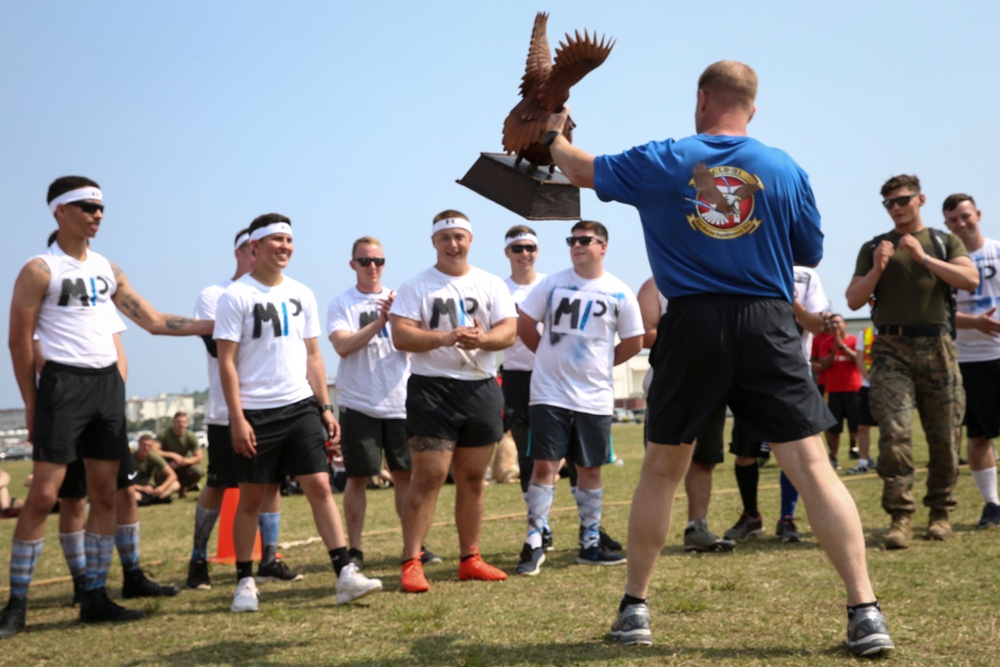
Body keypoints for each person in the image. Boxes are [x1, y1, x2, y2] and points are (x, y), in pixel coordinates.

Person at [546, 61, 894, 656]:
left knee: (661, 468)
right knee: (812, 467)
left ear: (701, 99)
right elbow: (807, 250)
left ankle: (635, 610)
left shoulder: (665, 158)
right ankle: (865, 612)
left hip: (691, 323)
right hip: (767, 320)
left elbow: (575, 166)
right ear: (751, 108)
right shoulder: (784, 167)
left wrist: (551, 128)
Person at [1, 176, 212, 639]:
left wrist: (210, 326)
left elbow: (153, 321)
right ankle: (17, 604)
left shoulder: (108, 270)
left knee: (105, 496)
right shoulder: (39, 269)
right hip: (63, 384)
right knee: (41, 496)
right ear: (59, 211)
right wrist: (32, 404)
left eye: (100, 207)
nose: (96, 214)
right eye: (85, 206)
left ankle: (95, 597)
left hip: (106, 388)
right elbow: (18, 343)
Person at [214, 213, 382, 612]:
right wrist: (236, 417)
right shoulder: (236, 296)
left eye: (288, 240)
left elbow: (313, 356)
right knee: (252, 498)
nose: (284, 247)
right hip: (255, 412)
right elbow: (227, 363)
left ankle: (345, 574)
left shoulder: (302, 293)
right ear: (254, 247)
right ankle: (245, 581)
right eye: (275, 240)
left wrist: (325, 407)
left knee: (320, 486)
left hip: (300, 406)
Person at [846, 175, 977, 549]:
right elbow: (854, 300)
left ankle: (940, 512)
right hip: (891, 347)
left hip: (937, 345)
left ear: (920, 199)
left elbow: (968, 280)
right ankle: (900, 517)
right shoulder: (874, 246)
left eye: (903, 200)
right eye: (889, 203)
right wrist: (876, 269)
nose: (896, 207)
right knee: (895, 433)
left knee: (946, 438)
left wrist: (924, 259)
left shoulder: (942, 240)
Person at [389, 210, 516, 592]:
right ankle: (412, 560)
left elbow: (508, 331)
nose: (453, 244)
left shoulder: (491, 283)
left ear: (471, 240)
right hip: (433, 388)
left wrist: (483, 341)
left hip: (479, 387)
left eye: (459, 237)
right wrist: (443, 338)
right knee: (427, 477)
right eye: (445, 238)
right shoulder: (417, 285)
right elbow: (401, 335)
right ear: (434, 242)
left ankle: (470, 558)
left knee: (474, 479)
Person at [513, 221, 643, 576]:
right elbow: (524, 324)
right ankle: (534, 541)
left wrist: (601, 364)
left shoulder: (619, 291)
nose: (577, 245)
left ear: (603, 247)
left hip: (594, 397)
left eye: (585, 240)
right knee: (544, 466)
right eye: (572, 240)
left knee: (590, 469)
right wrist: (546, 358)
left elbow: (634, 341)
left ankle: (589, 542)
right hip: (548, 393)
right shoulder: (552, 284)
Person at [186, 229, 302, 592]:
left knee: (271, 483)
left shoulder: (284, 293)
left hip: (273, 408)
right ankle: (198, 559)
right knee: (219, 483)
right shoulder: (216, 295)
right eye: (255, 247)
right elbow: (216, 349)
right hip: (227, 411)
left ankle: (269, 558)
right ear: (242, 251)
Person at [328, 236, 439, 569]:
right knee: (358, 477)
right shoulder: (341, 303)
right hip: (359, 402)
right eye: (365, 261)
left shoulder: (399, 300)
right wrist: (380, 322)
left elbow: (415, 343)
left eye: (378, 261)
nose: (372, 267)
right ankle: (356, 550)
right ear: (353, 265)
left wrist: (398, 321)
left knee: (406, 475)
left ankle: (413, 548)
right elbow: (342, 346)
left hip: (401, 402)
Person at [726, 267, 830, 544]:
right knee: (745, 451)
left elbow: (817, 325)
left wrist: (791, 299)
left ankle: (788, 518)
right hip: (747, 372)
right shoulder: (749, 259)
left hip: (790, 375)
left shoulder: (805, 276)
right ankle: (751, 516)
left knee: (795, 452)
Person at [637, 277, 732, 553]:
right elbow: (644, 332)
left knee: (705, 459)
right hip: (669, 383)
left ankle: (696, 527)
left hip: (712, 382)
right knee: (659, 468)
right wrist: (691, 331)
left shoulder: (719, 277)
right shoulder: (656, 283)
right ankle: (649, 535)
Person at [942, 193, 1000, 528]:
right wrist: (977, 322)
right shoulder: (947, 264)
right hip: (970, 359)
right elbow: (944, 312)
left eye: (966, 217)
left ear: (978, 214)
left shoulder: (995, 250)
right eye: (953, 220)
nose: (961, 224)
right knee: (979, 435)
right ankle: (992, 505)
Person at [815, 314, 862, 468]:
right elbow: (824, 365)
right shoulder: (825, 343)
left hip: (853, 388)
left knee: (855, 423)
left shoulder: (854, 340)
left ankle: (855, 450)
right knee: (833, 427)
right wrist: (834, 350)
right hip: (833, 390)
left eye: (837, 322)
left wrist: (843, 346)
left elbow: (858, 359)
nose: (834, 325)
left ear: (845, 324)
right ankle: (833, 457)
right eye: (832, 322)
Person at [847, 326, 878, 475]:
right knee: (863, 426)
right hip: (867, 385)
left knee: (890, 426)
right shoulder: (866, 333)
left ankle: (889, 460)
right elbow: (859, 359)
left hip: (890, 386)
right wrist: (869, 379)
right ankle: (863, 461)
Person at [155, 411, 203, 496]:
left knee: (198, 472)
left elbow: (199, 457)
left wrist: (184, 461)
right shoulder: (164, 434)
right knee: (156, 473)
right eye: (178, 422)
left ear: (187, 423)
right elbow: (154, 450)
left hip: (183, 466)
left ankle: (183, 488)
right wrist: (172, 455)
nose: (181, 424)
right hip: (166, 466)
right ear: (173, 422)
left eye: (184, 422)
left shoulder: (190, 436)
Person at [132, 434, 181, 504]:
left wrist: (162, 488)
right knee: (129, 492)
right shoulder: (130, 459)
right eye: (144, 445)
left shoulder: (153, 457)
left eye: (149, 446)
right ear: (139, 444)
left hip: (154, 489)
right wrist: (142, 488)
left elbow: (173, 475)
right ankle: (156, 500)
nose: (146, 448)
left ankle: (148, 500)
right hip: (137, 489)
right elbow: (122, 481)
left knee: (176, 485)